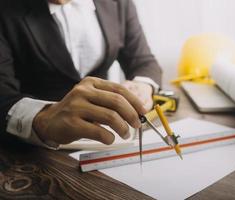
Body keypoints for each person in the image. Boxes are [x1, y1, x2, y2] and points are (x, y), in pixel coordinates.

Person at [0, 0, 162, 149]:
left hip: (106, 139)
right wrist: (43, 119)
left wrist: (143, 85)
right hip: (31, 148)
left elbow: (143, 61)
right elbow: (3, 95)